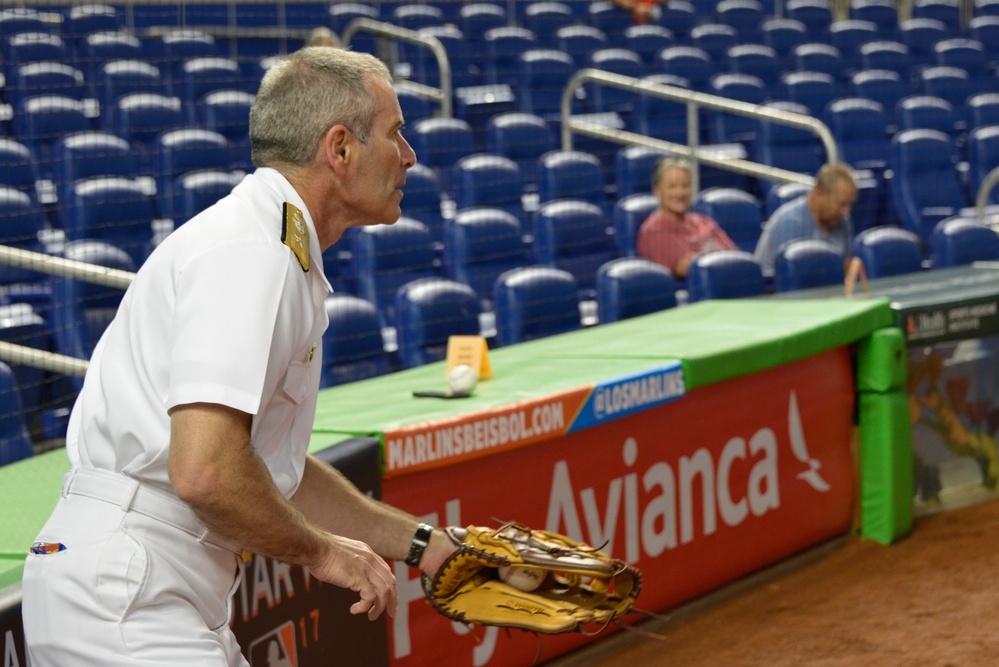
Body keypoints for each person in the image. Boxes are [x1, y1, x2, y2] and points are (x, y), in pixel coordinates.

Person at [21, 47, 455, 666]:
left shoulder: (273, 243)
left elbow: (278, 474)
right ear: (340, 149)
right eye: (396, 133)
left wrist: (425, 545)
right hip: (127, 590)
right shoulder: (252, 252)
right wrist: (328, 554)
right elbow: (206, 472)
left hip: (146, 582)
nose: (409, 155)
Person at [636, 156, 738, 279]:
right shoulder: (653, 231)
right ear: (657, 190)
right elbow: (686, 268)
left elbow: (734, 255)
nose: (680, 193)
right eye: (672, 187)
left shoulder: (703, 221)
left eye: (685, 186)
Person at [753, 163, 858, 275]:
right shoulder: (789, 223)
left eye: (849, 204)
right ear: (820, 193)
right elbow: (790, 277)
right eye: (841, 204)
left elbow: (846, 271)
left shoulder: (843, 221)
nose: (846, 211)